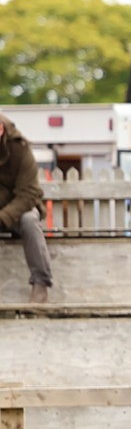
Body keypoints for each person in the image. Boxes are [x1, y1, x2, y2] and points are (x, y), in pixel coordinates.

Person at [0, 114, 53, 303]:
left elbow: (29, 194)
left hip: (19, 209)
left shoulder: (19, 148)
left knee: (30, 220)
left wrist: (3, 217)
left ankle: (40, 284)